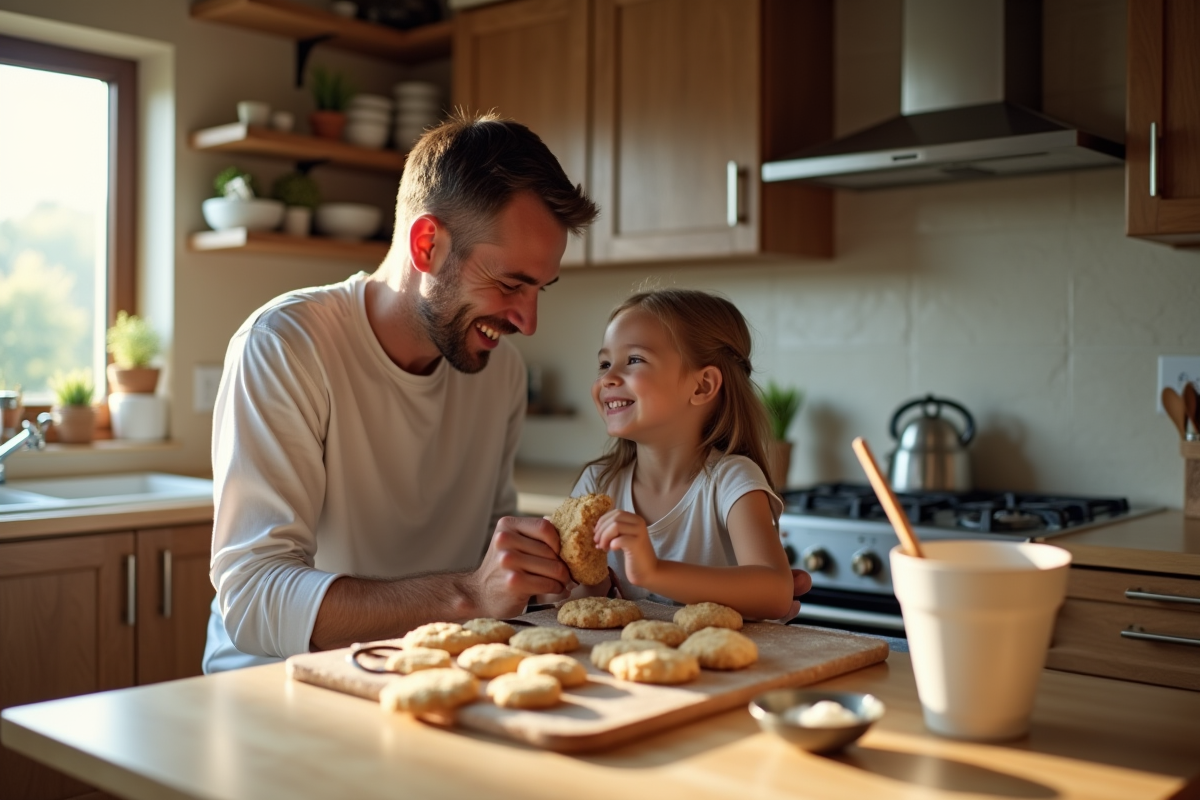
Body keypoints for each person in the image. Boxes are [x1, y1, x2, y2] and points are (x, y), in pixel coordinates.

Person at [203, 112, 599, 673]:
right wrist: (469, 595)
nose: (528, 321)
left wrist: (542, 578)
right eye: (510, 283)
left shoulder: (500, 372)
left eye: (539, 289)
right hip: (271, 686)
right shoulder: (286, 346)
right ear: (427, 244)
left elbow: (490, 557)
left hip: (421, 672)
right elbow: (253, 599)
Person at [569, 288, 803, 621]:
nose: (607, 378)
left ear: (702, 386)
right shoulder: (597, 483)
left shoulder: (732, 480)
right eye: (605, 363)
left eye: (634, 360)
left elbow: (776, 593)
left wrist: (652, 571)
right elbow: (575, 599)